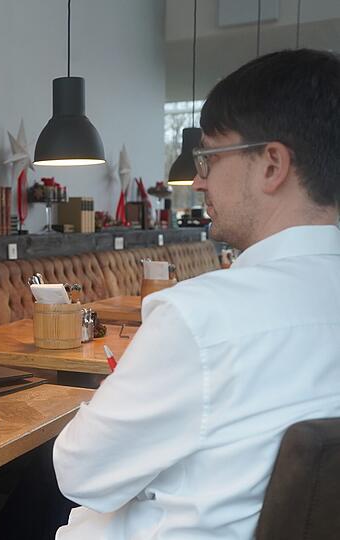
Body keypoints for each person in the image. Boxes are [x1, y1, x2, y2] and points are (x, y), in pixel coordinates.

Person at [53, 48, 340, 538]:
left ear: (271, 165)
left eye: (208, 158)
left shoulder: (200, 318)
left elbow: (79, 473)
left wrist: (117, 393)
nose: (198, 180)